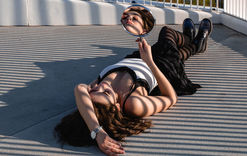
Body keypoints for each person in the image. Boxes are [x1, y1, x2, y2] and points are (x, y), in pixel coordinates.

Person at [54, 17, 212, 155]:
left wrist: (97, 132)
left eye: (95, 90)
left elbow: (80, 89)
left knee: (176, 48)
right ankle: (194, 42)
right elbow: (171, 98)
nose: (99, 87)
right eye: (106, 93)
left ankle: (193, 41)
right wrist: (149, 61)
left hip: (136, 57)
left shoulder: (95, 90)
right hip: (162, 66)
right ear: (116, 107)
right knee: (167, 35)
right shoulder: (132, 103)